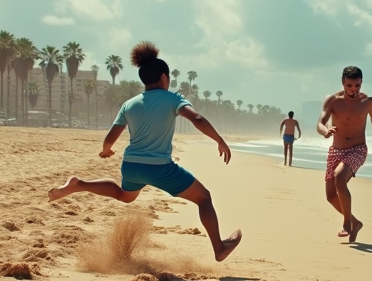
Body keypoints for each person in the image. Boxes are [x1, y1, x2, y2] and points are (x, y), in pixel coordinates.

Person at [48, 42, 241, 262]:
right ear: (164, 78)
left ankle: (79, 184)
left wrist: (106, 151)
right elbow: (196, 118)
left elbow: (110, 137)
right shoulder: (173, 99)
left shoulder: (129, 104)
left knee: (124, 195)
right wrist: (219, 140)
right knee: (204, 198)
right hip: (159, 168)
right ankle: (219, 248)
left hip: (131, 165)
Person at [317, 66, 372, 243]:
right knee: (330, 196)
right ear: (343, 82)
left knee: (339, 177)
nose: (354, 89)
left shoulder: (367, 102)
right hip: (336, 150)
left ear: (361, 83)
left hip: (357, 149)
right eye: (350, 85)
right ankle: (355, 222)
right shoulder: (332, 101)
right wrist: (325, 131)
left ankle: (346, 224)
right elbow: (320, 123)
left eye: (357, 85)